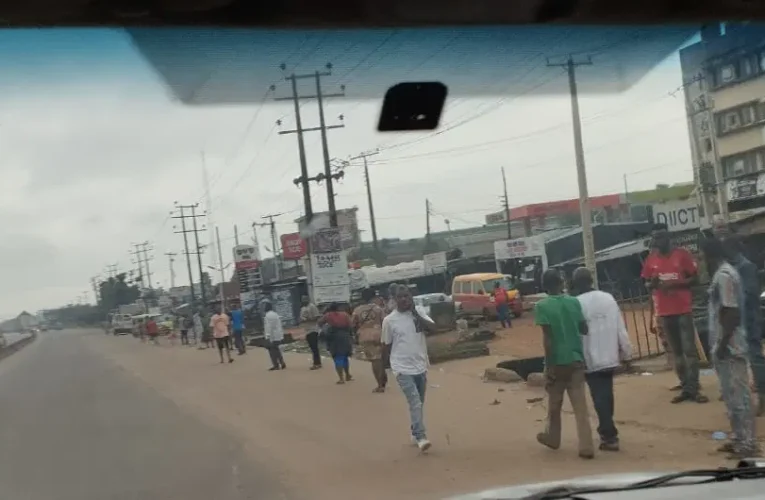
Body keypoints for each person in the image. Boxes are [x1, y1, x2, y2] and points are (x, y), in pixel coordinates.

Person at [702, 236, 758, 458]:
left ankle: (748, 445)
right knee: (730, 396)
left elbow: (731, 311)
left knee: (739, 398)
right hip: (725, 346)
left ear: (709, 255)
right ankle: (738, 438)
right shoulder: (722, 274)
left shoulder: (724, 275)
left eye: (700, 255)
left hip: (732, 347)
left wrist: (723, 343)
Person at [641, 223, 707, 404]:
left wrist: (676, 285)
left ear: (668, 237)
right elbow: (646, 283)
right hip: (665, 312)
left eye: (660, 236)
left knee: (689, 351)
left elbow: (695, 278)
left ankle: (694, 388)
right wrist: (652, 285)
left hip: (683, 310)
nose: (657, 240)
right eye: (655, 237)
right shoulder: (651, 259)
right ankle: (685, 387)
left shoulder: (682, 255)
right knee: (677, 352)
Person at [534, 269, 594, 459]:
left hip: (557, 361)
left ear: (544, 287)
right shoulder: (573, 301)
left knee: (554, 403)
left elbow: (548, 339)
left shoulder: (542, 306)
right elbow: (584, 328)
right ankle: (586, 446)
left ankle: (553, 437)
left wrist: (549, 364)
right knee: (580, 406)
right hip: (576, 358)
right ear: (562, 283)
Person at [571, 267, 631, 452]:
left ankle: (609, 434)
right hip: (609, 355)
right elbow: (620, 327)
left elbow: (576, 332)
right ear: (591, 280)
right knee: (606, 394)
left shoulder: (575, 303)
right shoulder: (608, 298)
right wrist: (627, 353)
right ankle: (608, 431)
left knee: (599, 397)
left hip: (589, 358)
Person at [382, 284, 436, 453]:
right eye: (400, 297)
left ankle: (414, 430)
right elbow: (386, 345)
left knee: (420, 401)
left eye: (406, 296)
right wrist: (385, 369)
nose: (404, 299)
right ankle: (421, 437)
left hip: (420, 365)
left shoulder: (419, 312)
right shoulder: (389, 320)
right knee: (415, 401)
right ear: (394, 300)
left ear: (411, 297)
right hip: (401, 367)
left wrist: (416, 314)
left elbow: (433, 328)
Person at [720, 232, 765, 416]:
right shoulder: (730, 267)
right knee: (739, 360)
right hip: (737, 321)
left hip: (748, 320)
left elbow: (749, 294)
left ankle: (762, 397)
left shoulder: (746, 267)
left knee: (754, 357)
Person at [353, 288, 387, 393]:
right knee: (380, 358)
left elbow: (353, 324)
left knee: (374, 360)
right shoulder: (378, 309)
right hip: (379, 334)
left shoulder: (357, 310)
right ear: (373, 297)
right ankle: (383, 379)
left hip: (365, 336)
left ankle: (380, 385)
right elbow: (385, 322)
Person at [322, 303, 354, 384]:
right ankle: (347, 375)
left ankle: (341, 378)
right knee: (344, 356)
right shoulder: (345, 315)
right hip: (345, 336)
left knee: (338, 357)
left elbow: (319, 323)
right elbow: (351, 325)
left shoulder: (328, 315)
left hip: (333, 338)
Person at [299, 296, 322, 370]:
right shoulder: (303, 308)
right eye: (302, 300)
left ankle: (317, 363)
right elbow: (301, 317)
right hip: (307, 330)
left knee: (314, 347)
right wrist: (301, 320)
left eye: (305, 299)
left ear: (308, 300)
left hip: (313, 329)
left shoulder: (312, 307)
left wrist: (308, 319)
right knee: (312, 347)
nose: (304, 301)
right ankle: (317, 362)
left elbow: (316, 317)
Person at [263, 301, 286, 371]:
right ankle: (282, 363)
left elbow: (269, 327)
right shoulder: (275, 314)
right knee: (276, 350)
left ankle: (276, 365)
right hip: (278, 335)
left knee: (272, 351)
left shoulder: (268, 315)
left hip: (272, 336)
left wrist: (268, 337)